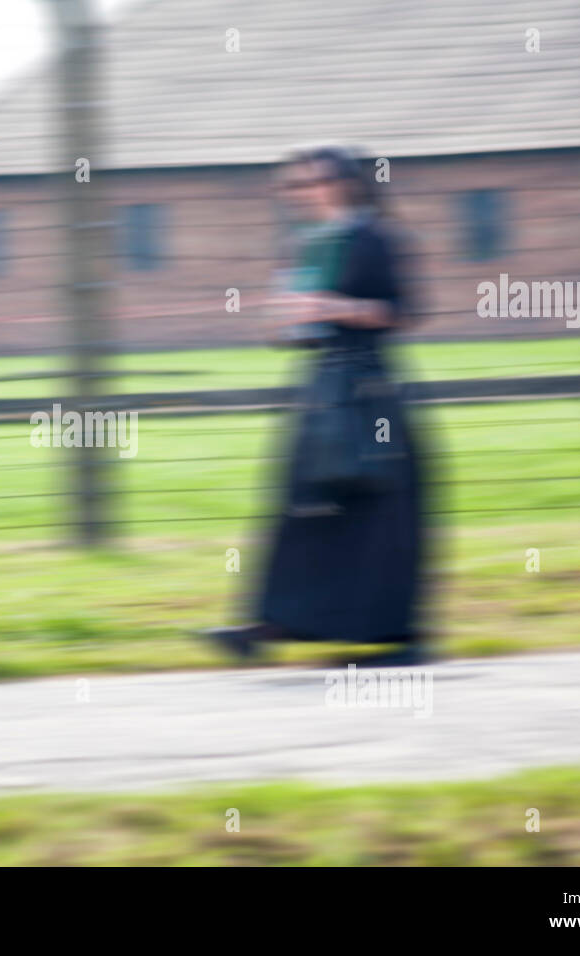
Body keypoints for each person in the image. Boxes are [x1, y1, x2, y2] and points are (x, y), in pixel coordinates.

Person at [206, 145, 429, 666]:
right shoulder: (307, 243)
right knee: (301, 502)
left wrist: (335, 308)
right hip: (322, 386)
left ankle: (396, 636)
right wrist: (282, 323)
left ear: (345, 182)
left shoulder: (377, 237)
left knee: (378, 508)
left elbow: (403, 312)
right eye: (294, 186)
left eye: (313, 182)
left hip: (369, 389)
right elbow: (294, 329)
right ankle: (271, 624)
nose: (303, 194)